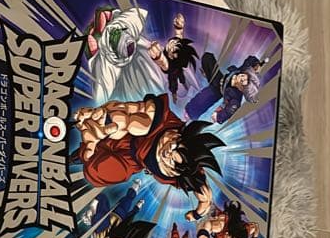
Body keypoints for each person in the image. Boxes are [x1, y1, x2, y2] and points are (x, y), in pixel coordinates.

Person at [75, 94, 224, 222]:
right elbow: (128, 114)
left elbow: (205, 199)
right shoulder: (157, 120)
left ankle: (84, 151)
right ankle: (87, 144)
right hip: (127, 134)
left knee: (95, 172)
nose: (167, 152)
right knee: (126, 125)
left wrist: (196, 214)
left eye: (171, 159)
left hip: (131, 160)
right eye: (174, 146)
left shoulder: (189, 174)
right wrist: (107, 119)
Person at [185, 53, 267, 123]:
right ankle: (209, 77)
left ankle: (190, 113)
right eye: (243, 76)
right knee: (208, 57)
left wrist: (218, 117)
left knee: (204, 98)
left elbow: (230, 110)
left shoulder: (236, 96)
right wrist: (256, 63)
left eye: (243, 82)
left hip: (218, 90)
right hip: (219, 79)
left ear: (242, 88)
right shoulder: (242, 70)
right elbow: (249, 61)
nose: (241, 78)